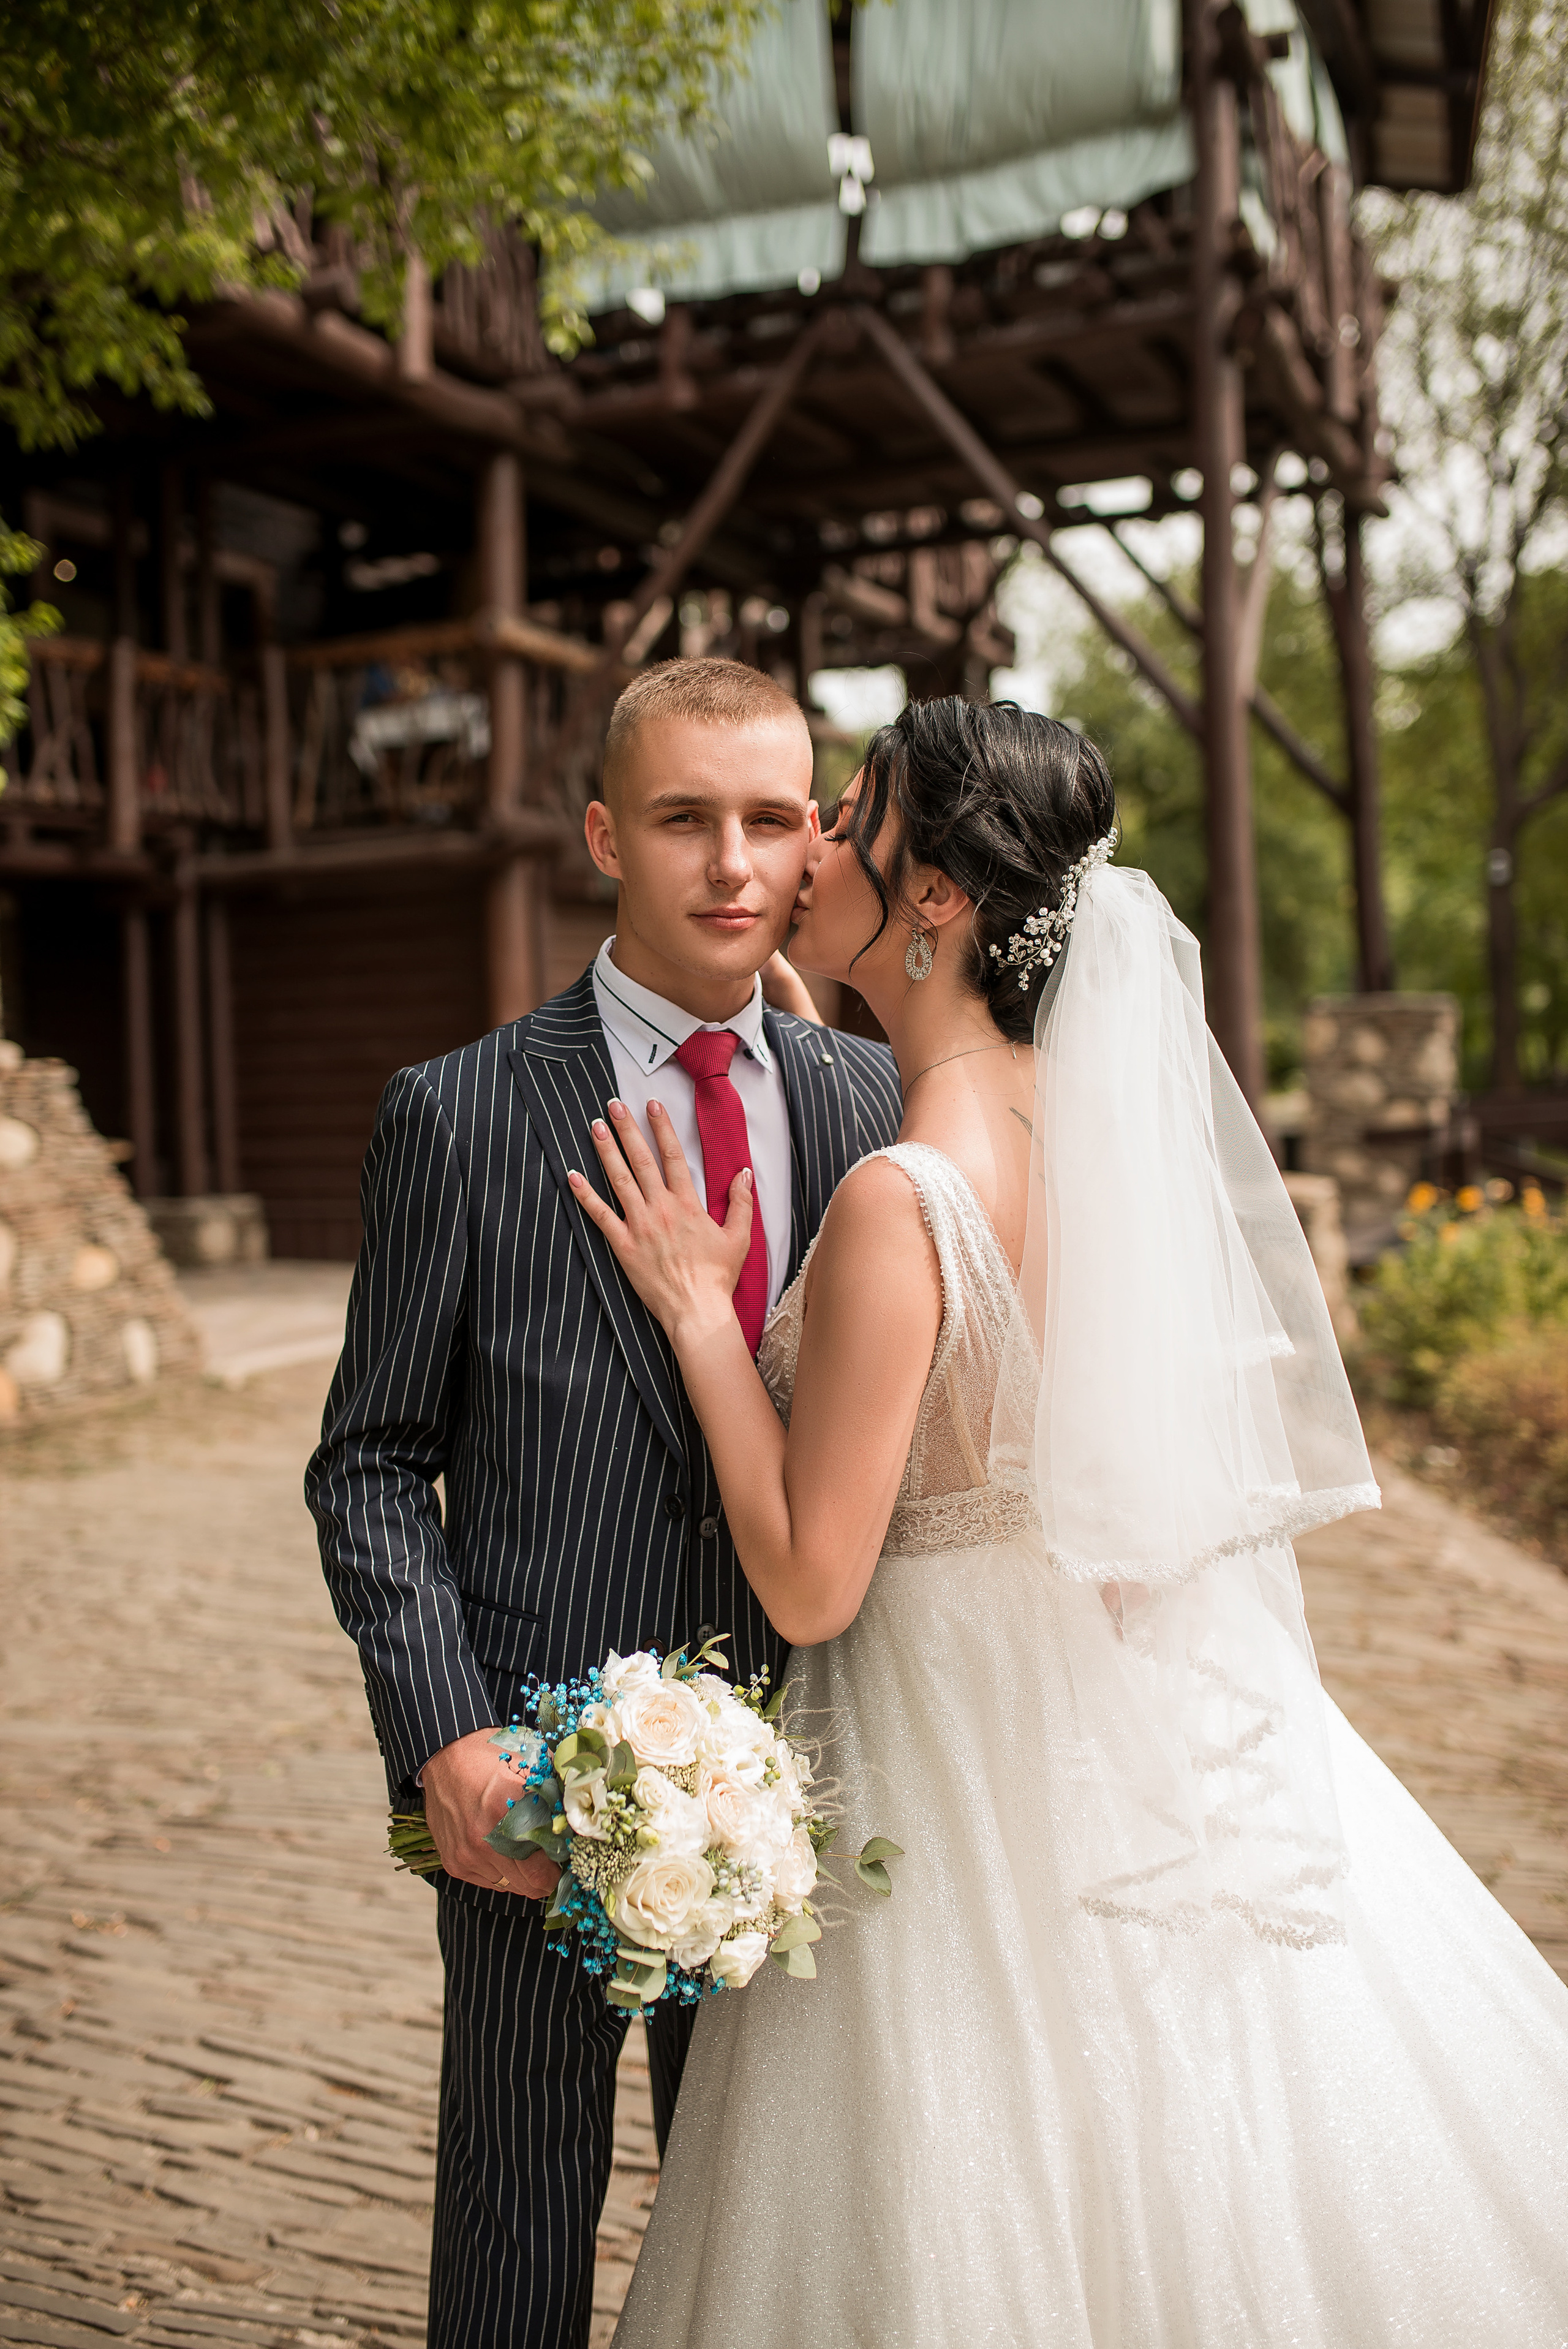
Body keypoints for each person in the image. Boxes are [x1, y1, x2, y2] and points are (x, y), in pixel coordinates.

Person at [570, 697, 1568, 2348]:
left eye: (847, 820)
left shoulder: (898, 1199)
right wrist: (838, 1006)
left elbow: (812, 1581)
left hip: (939, 1748)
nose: (807, 851)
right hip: (1096, 1727)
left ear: (935, 891)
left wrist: (697, 1312)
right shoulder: (1098, 1140)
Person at [305, 658, 902, 2349]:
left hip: (814, 1774)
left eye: (771, 819)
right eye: (684, 818)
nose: (734, 862)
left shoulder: (869, 1107)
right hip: (533, 1774)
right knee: (517, 2217)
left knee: (773, 2240)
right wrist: (448, 1735)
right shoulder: (460, 1112)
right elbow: (367, 1460)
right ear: (602, 837)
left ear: (814, 836)